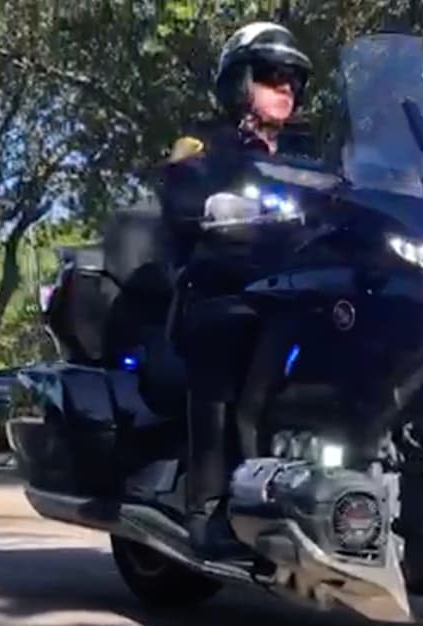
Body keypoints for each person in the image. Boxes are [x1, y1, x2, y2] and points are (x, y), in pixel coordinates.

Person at [156, 21, 313, 558]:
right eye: (272, 75)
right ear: (241, 83)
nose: (285, 87)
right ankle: (208, 507)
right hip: (222, 293)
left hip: (298, 294)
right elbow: (181, 199)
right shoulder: (208, 147)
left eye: (293, 78)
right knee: (230, 330)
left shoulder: (310, 158)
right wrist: (213, 204)